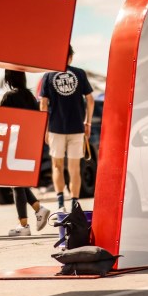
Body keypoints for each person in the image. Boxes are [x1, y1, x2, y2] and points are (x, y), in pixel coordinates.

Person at [39, 45, 94, 212]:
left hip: (55, 128)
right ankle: (75, 204)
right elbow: (90, 100)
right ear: (70, 56)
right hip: (77, 127)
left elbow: (43, 104)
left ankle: (61, 205)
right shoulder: (80, 73)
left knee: (57, 166)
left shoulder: (48, 76)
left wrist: (45, 129)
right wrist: (88, 122)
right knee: (74, 168)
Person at [0, 69, 51, 236]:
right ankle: (38, 208)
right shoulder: (30, 97)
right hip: (29, 144)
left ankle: (24, 225)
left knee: (16, 183)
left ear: (8, 79)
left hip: (13, 143)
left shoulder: (8, 97)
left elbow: (0, 120)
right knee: (18, 182)